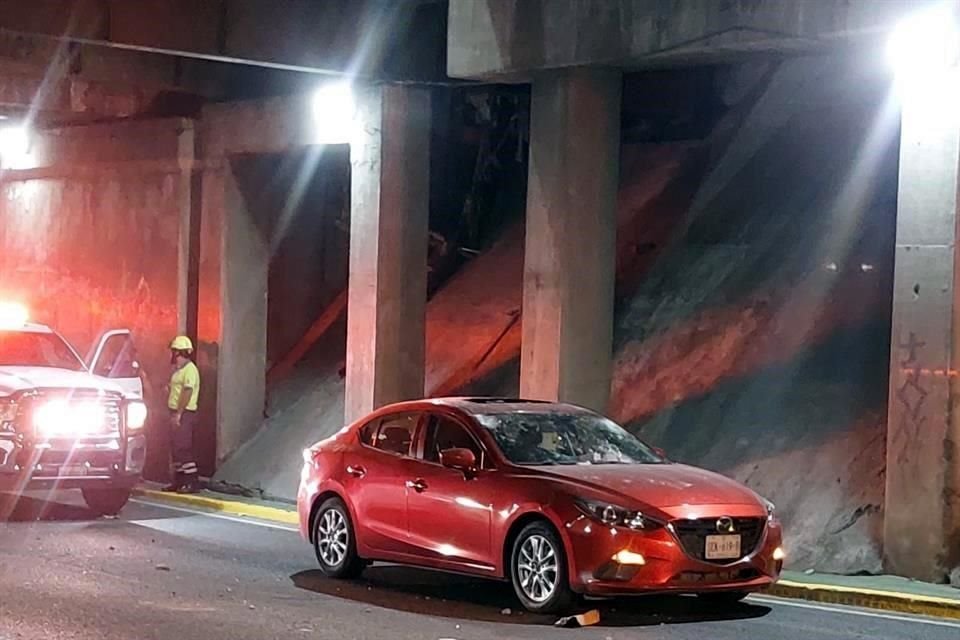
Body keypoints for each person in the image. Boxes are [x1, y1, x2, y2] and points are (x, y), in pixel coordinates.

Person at [163, 335, 201, 493]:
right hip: (175, 412)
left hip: (185, 414)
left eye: (174, 352)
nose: (172, 356)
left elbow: (187, 391)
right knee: (176, 449)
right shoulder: (179, 371)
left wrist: (179, 414)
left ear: (179, 353)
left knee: (183, 448)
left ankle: (192, 482)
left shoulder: (190, 370)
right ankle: (178, 482)